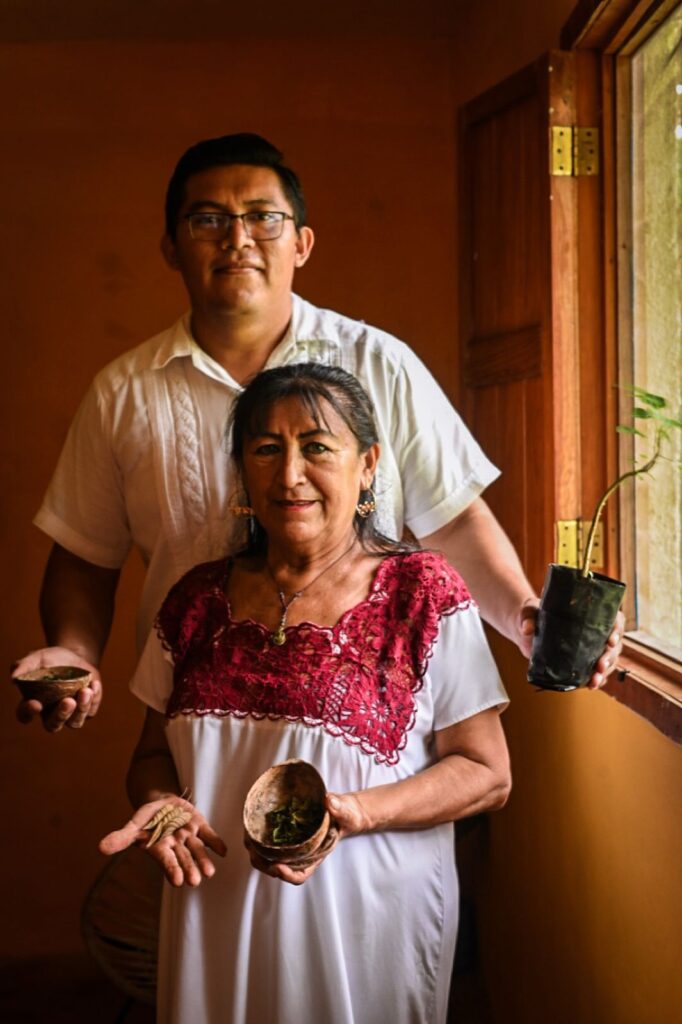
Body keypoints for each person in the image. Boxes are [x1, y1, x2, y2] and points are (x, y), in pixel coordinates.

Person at [14, 132, 621, 731]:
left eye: (263, 217)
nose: (238, 239)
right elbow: (84, 557)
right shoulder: (123, 393)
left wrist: (522, 615)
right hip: (201, 725)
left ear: (301, 243)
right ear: (171, 246)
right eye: (208, 220)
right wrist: (73, 652)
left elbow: (454, 519)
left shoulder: (380, 364)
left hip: (373, 720)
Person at [99, 363, 511, 1024]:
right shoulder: (194, 602)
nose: (290, 474)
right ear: (243, 469)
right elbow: (151, 758)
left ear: (368, 464)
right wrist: (161, 806)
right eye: (266, 449)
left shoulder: (421, 593)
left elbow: (487, 773)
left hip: (365, 932)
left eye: (317, 447)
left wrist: (352, 812)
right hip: (212, 918)